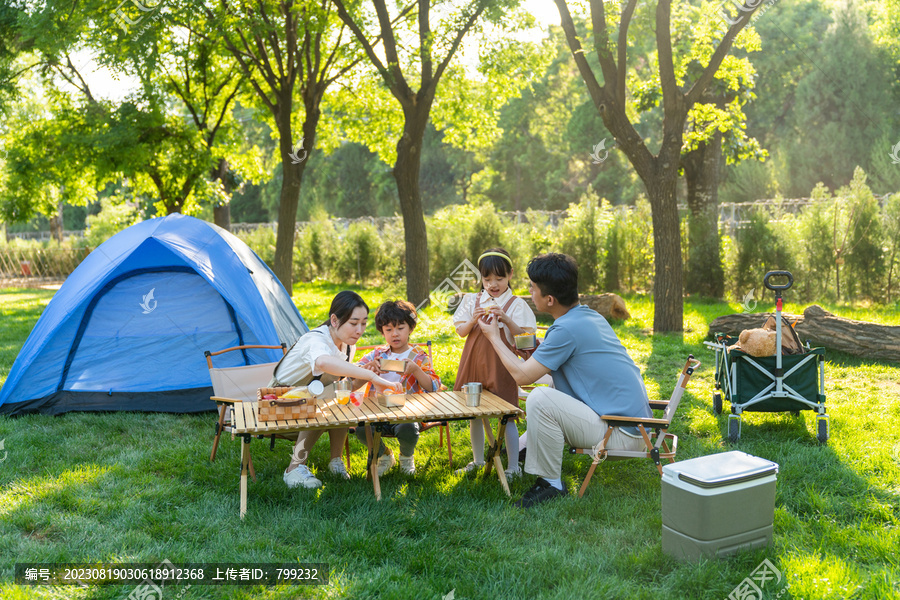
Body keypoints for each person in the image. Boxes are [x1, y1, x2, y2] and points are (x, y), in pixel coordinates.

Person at [476, 253, 651, 508]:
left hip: (622, 432)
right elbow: (542, 357)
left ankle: (551, 484)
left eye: (533, 288)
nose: (529, 291)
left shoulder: (567, 329)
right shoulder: (585, 316)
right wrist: (513, 328)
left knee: (540, 397)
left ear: (549, 299)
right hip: (635, 425)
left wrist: (493, 337)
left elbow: (524, 376)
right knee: (545, 390)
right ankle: (529, 452)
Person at [273, 290, 395, 490]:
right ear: (335, 320)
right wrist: (370, 376)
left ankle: (335, 461)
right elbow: (322, 362)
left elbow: (343, 385)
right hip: (280, 402)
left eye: (363, 323)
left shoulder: (347, 346)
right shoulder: (316, 340)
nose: (360, 330)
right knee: (328, 402)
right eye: (354, 323)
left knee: (343, 397)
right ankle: (294, 468)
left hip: (311, 396)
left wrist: (363, 374)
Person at [453, 248, 536, 478]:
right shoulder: (473, 300)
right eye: (487, 279)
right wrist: (473, 319)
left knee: (506, 415)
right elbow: (461, 331)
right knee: (475, 414)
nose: (492, 284)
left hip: (502, 367)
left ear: (510, 275)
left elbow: (527, 342)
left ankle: (513, 467)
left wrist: (507, 320)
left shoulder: (517, 305)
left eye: (499, 278)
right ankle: (478, 460)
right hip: (473, 364)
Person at [354, 300, 442, 476]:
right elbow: (352, 383)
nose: (395, 334)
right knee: (361, 430)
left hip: (407, 413)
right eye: (388, 329)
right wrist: (366, 370)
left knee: (408, 428)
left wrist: (416, 370)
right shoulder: (376, 355)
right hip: (376, 412)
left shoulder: (418, 356)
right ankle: (384, 455)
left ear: (410, 328)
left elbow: (433, 386)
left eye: (400, 328)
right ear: (382, 332)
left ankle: (407, 457)